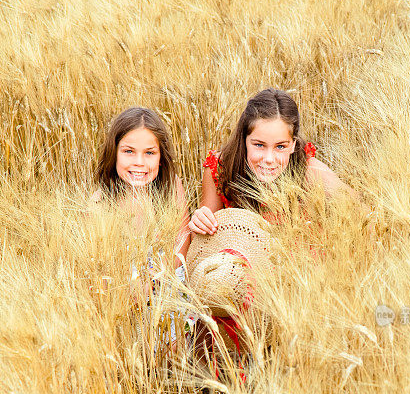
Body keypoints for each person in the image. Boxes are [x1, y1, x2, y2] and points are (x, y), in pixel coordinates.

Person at [189, 87, 373, 235]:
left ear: (293, 145)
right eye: (259, 145)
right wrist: (201, 220)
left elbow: (366, 215)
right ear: (244, 140)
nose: (269, 159)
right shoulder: (221, 170)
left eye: (280, 147)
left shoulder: (308, 171)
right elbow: (206, 233)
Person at [91, 107, 191, 353]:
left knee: (174, 344)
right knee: (126, 348)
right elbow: (97, 263)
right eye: (128, 152)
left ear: (161, 156)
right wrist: (131, 291)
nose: (139, 162)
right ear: (113, 153)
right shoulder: (101, 202)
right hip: (120, 291)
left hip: (167, 282)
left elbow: (182, 240)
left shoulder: (171, 187)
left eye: (149, 153)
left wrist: (156, 279)